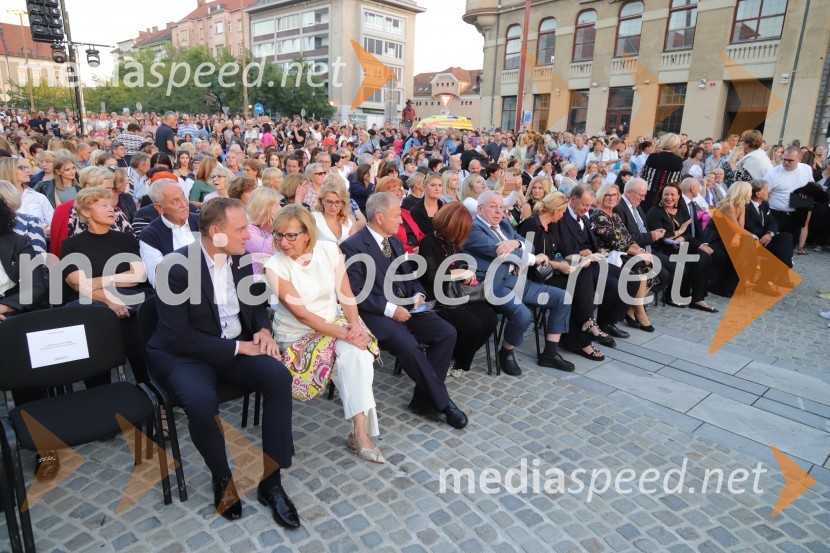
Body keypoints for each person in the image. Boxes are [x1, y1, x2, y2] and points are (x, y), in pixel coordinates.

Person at [146, 198, 299, 527]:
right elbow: (178, 337)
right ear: (215, 233)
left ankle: (271, 484)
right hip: (186, 355)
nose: (249, 235)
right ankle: (221, 478)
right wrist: (242, 348)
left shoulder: (241, 258)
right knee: (200, 403)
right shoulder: (174, 267)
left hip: (234, 345)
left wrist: (263, 330)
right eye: (240, 229)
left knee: (278, 377)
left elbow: (257, 305)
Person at [264, 205, 384, 463]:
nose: (283, 242)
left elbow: (346, 294)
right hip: (297, 336)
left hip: (334, 323)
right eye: (278, 235)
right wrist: (346, 333)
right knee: (354, 356)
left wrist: (353, 327)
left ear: (308, 233)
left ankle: (359, 434)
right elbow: (303, 315)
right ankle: (360, 435)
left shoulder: (330, 250)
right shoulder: (274, 266)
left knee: (358, 356)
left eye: (290, 235)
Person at [340, 193, 468, 429]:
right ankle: (443, 403)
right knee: (409, 346)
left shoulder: (395, 242)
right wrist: (391, 310)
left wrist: (419, 294)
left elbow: (409, 275)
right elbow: (355, 293)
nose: (401, 221)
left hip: (408, 307)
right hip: (376, 316)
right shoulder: (352, 247)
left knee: (447, 332)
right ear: (379, 217)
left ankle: (422, 399)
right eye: (397, 215)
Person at [464, 190, 575, 375]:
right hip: (494, 285)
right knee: (523, 315)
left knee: (563, 297)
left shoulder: (505, 225)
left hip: (517, 280)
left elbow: (530, 244)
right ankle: (506, 352)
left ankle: (550, 353)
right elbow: (500, 253)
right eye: (493, 207)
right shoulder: (473, 228)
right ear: (480, 209)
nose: (498, 211)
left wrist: (516, 244)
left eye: (501, 207)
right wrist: (532, 258)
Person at [60, 187, 149, 379]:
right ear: (85, 212)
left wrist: (97, 281)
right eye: (103, 205)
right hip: (92, 307)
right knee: (96, 337)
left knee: (138, 336)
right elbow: (78, 285)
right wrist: (109, 299)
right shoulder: (71, 245)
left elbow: (138, 276)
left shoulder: (125, 239)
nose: (112, 210)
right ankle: (102, 396)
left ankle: (150, 390)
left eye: (111, 205)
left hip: (127, 303)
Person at [517, 192, 609, 360]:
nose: (564, 215)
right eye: (563, 211)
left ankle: (584, 327)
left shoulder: (551, 225)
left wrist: (579, 258)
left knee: (584, 274)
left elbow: (562, 251)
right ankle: (585, 331)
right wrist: (557, 264)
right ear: (554, 210)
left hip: (552, 272)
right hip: (532, 276)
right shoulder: (530, 226)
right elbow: (526, 259)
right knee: (576, 289)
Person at [418, 202, 498, 377]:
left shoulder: (453, 242)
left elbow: (459, 261)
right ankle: (451, 358)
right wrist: (457, 273)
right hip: (437, 298)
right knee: (472, 325)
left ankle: (457, 358)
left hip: (456, 293)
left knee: (490, 319)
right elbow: (430, 276)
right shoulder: (428, 242)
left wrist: (467, 271)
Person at [557, 185, 635, 339]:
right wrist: (580, 253)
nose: (587, 208)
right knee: (613, 285)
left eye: (589, 205)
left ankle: (609, 321)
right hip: (577, 266)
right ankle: (600, 326)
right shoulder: (562, 217)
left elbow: (593, 242)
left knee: (632, 278)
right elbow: (561, 247)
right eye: (584, 204)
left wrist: (598, 252)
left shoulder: (585, 217)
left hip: (594, 261)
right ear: (573, 200)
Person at [591, 183, 657, 332]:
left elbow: (627, 239)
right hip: (608, 257)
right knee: (639, 271)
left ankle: (631, 307)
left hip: (623, 253)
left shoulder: (614, 215)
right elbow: (616, 243)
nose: (611, 198)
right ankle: (637, 310)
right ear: (601, 196)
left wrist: (640, 250)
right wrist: (640, 254)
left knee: (651, 269)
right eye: (608, 195)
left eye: (614, 195)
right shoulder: (598, 216)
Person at [645, 182, 716, 312]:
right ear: (661, 196)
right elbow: (658, 236)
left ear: (678, 197)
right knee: (685, 260)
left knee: (704, 256)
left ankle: (697, 299)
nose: (669, 197)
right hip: (661, 248)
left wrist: (685, 239)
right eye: (666, 194)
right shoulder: (654, 212)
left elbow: (687, 233)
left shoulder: (682, 210)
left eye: (673, 194)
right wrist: (678, 233)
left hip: (681, 244)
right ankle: (673, 295)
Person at [138, 179, 199, 287]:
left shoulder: (203, 222)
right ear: (159, 208)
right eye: (175, 201)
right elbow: (158, 280)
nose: (184, 204)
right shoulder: (150, 235)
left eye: (183, 197)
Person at [763, 146, 814, 252]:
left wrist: (806, 200)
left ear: (800, 159)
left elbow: (811, 185)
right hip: (775, 213)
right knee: (772, 246)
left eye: (790, 160)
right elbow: (763, 195)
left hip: (796, 213)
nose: (786, 162)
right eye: (784, 159)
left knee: (790, 246)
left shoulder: (806, 169)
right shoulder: (773, 174)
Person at [745, 179, 793, 268]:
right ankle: (786, 267)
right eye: (766, 190)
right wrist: (765, 235)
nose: (769, 191)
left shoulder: (764, 204)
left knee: (786, 236)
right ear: (758, 194)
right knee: (781, 250)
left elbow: (772, 222)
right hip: (754, 239)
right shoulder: (746, 207)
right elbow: (750, 228)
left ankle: (786, 265)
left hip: (765, 236)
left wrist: (769, 234)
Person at [0, 157, 53, 230]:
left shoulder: (38, 197)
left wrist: (40, 233)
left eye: (27, 167)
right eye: (22, 168)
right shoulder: (1, 199)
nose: (29, 171)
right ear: (9, 170)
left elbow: (53, 223)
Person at [244, 187, 282, 279]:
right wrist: (276, 226)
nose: (281, 208)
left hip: (277, 275)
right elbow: (266, 252)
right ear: (265, 209)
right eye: (277, 206)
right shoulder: (249, 230)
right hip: (259, 282)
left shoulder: (267, 227)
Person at [641, 133, 683, 209]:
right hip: (665, 197)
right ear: (676, 145)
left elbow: (644, 174)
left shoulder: (653, 157)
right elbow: (677, 181)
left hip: (648, 194)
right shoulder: (678, 161)